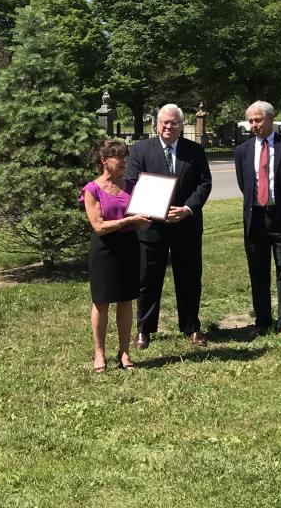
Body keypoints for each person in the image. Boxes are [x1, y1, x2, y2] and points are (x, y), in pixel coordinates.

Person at [126, 104, 213, 349]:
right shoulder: (140, 150)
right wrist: (146, 209)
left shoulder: (194, 151)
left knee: (189, 278)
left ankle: (192, 327)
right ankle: (144, 329)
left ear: (181, 126)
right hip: (151, 227)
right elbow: (131, 183)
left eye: (173, 122)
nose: (168, 126)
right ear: (157, 124)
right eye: (164, 122)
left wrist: (186, 209)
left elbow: (204, 184)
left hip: (186, 225)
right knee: (147, 279)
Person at [234, 100, 281, 340]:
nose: (254, 125)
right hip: (255, 217)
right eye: (251, 121)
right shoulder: (242, 151)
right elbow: (244, 184)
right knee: (258, 270)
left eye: (258, 120)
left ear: (271, 119)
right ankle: (262, 320)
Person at [80, 139, 151, 373]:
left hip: (129, 246)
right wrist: (129, 220)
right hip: (104, 248)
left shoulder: (132, 185)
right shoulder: (92, 189)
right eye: (118, 157)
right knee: (101, 301)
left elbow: (145, 211)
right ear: (104, 161)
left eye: (125, 156)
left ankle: (124, 352)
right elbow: (98, 226)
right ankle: (99, 353)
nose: (123, 161)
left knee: (125, 300)